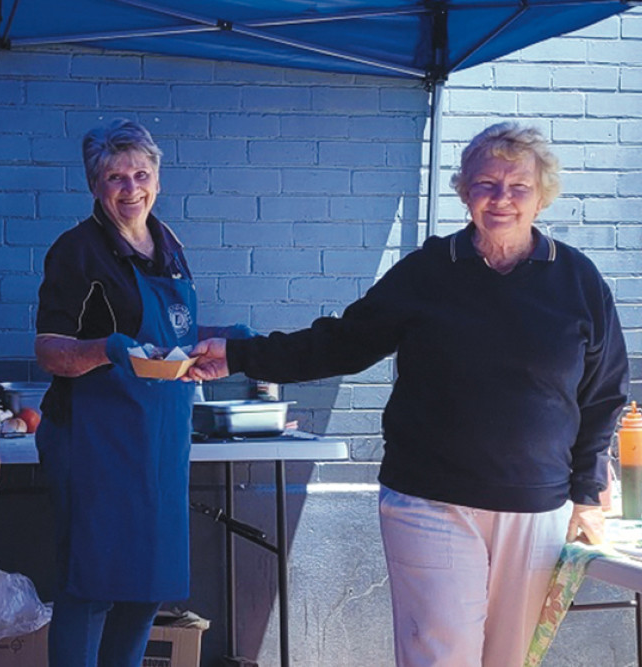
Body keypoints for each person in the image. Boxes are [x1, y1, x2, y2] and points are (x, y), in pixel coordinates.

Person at [189, 122, 628, 666]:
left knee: (510, 660)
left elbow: (604, 392)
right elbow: (342, 344)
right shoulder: (428, 271)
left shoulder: (578, 281)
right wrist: (237, 355)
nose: (501, 199)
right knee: (439, 657)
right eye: (486, 184)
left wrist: (587, 488)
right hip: (430, 500)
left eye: (518, 187)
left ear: (542, 196)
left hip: (536, 505)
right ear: (464, 190)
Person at [34, 119, 252, 667]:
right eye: (115, 178)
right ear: (94, 186)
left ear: (158, 178)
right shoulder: (76, 251)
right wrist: (107, 349)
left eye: (141, 174)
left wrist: (220, 344)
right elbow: (48, 349)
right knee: (89, 586)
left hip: (159, 438)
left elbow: (169, 336)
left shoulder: (169, 244)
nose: (131, 188)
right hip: (93, 441)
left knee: (146, 586)